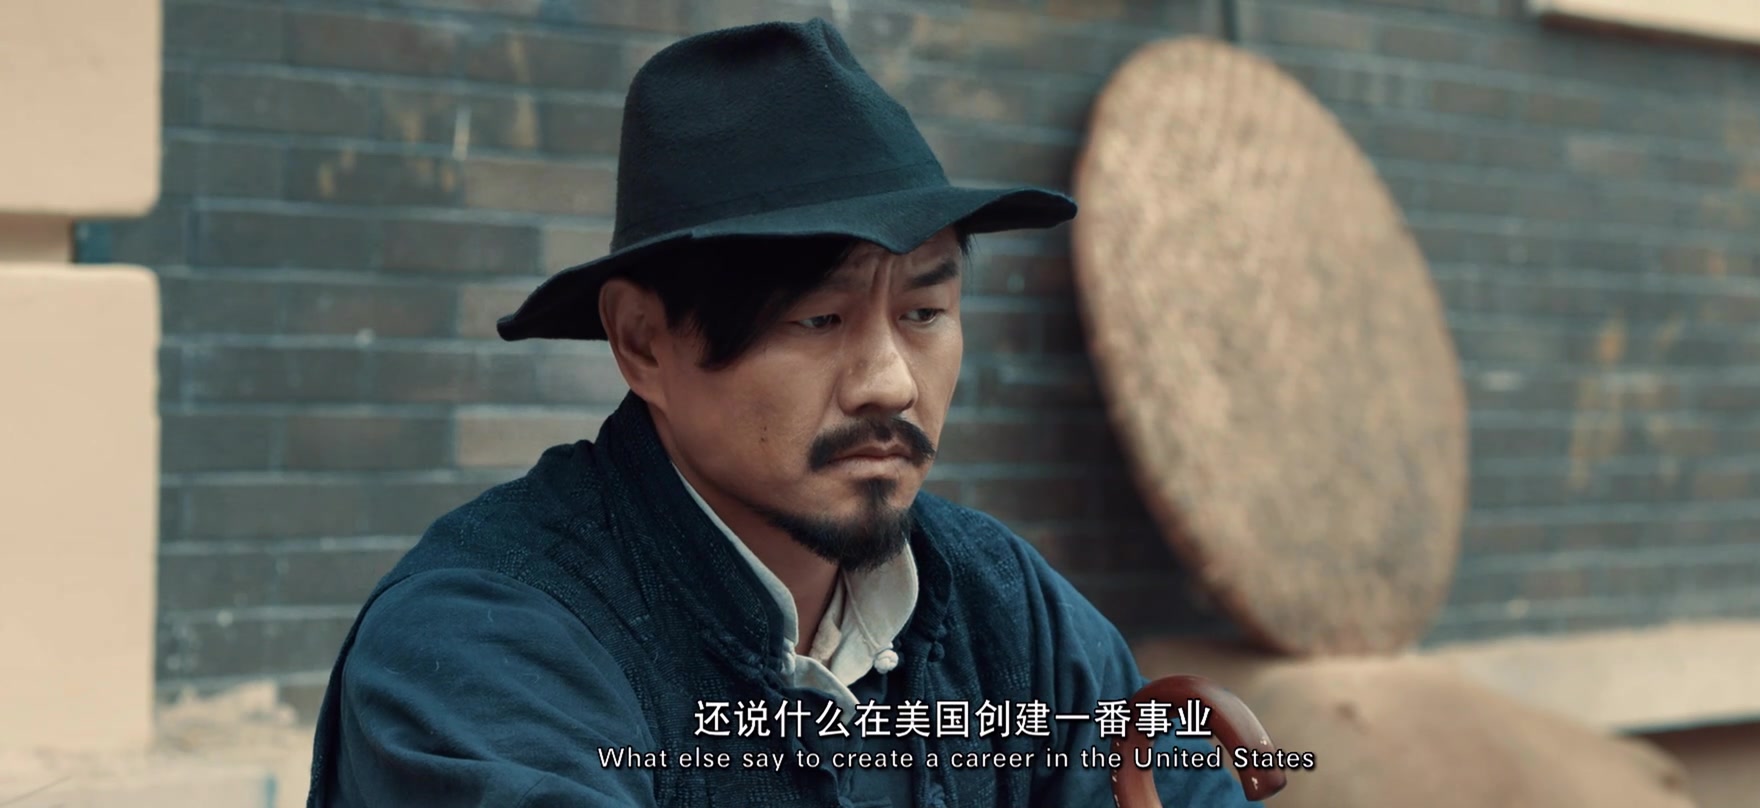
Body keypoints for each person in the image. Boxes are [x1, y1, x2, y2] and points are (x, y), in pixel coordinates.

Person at [305, 18, 1262, 808]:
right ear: (644, 342)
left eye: (925, 313)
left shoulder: (1000, 608)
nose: (890, 383)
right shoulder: (486, 643)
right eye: (819, 318)